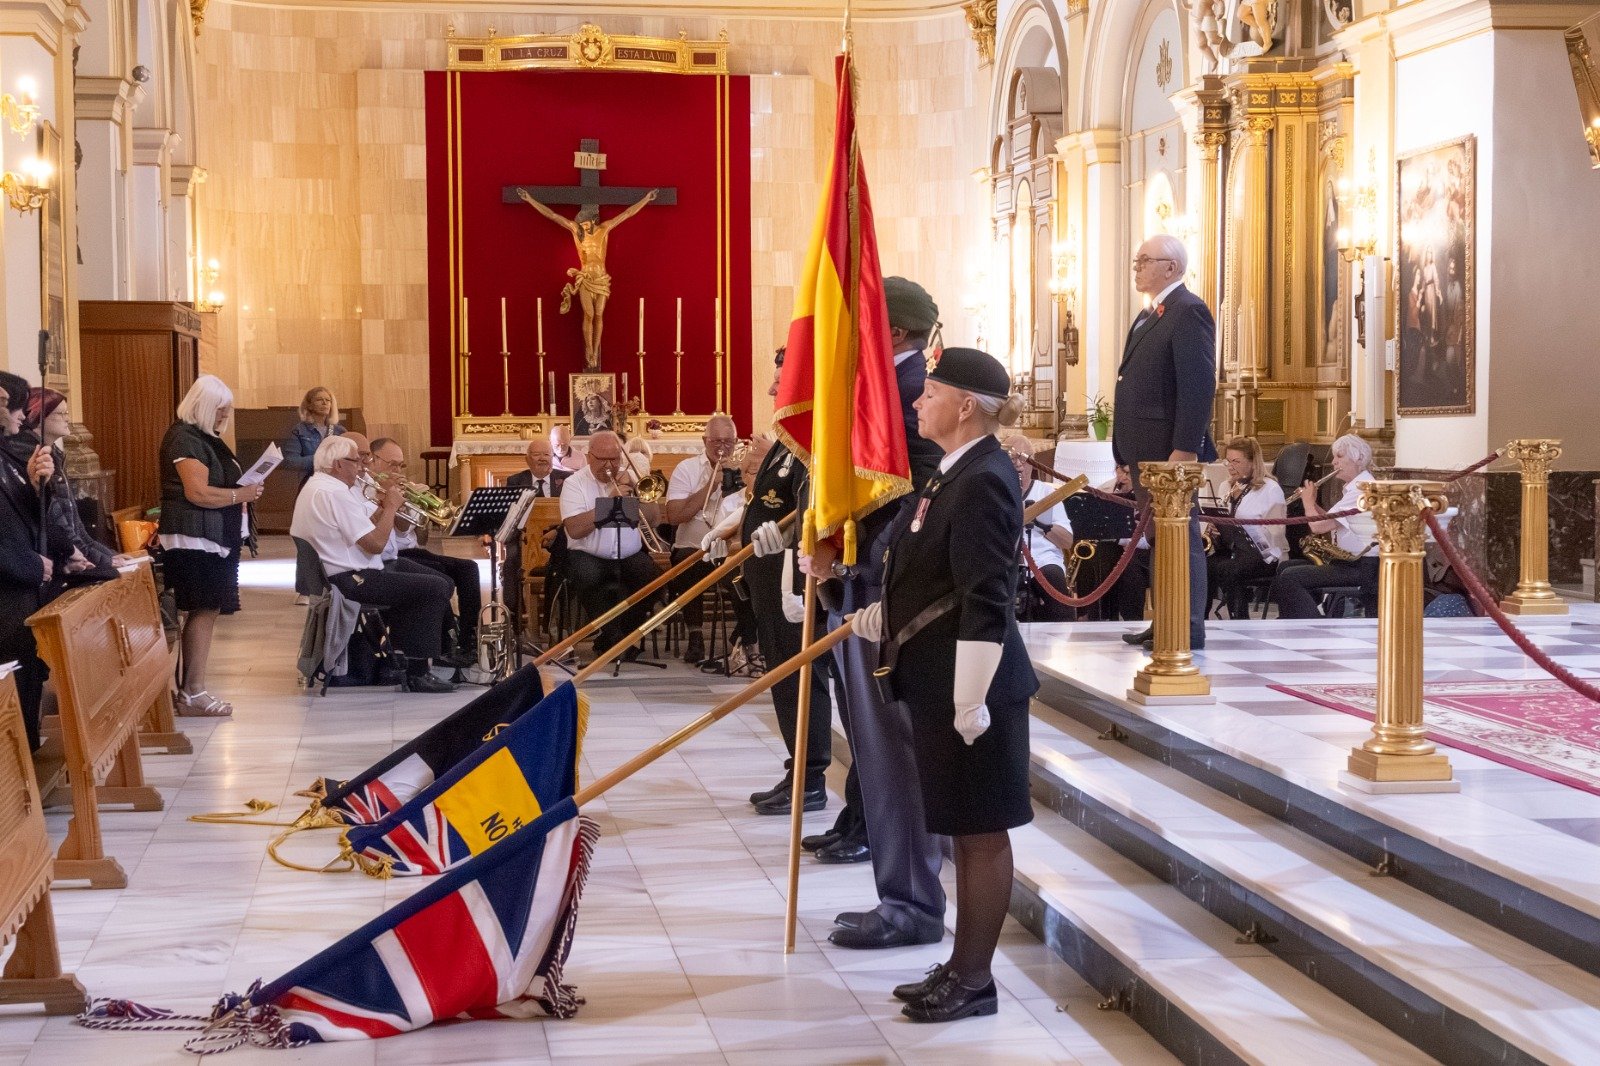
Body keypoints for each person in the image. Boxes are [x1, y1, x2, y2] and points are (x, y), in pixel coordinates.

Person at [851, 347, 1037, 1023]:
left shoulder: (985, 477)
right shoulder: (948, 476)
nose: (915, 403)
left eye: (928, 393)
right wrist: (881, 615)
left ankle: (976, 980)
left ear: (965, 405)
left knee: (981, 832)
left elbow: (988, 595)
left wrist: (970, 695)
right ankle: (960, 966)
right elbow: (929, 569)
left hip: (975, 686)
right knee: (961, 827)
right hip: (938, 675)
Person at [796, 275, 946, 942]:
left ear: (896, 333)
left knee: (893, 758)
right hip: (858, 590)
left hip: (887, 599)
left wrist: (852, 562)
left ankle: (910, 902)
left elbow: (920, 500)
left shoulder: (913, 394)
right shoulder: (884, 392)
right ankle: (906, 889)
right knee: (878, 756)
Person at [720, 349, 834, 808]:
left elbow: (814, 514)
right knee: (783, 680)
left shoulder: (813, 443)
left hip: (793, 582)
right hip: (767, 580)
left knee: (802, 679)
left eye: (780, 383)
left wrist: (787, 546)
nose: (771, 390)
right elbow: (762, 502)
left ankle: (811, 777)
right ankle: (798, 769)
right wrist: (725, 529)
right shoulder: (787, 441)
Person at [1114, 234, 1218, 651]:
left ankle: (1187, 624)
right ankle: (1165, 619)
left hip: (1168, 450)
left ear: (1171, 267)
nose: (1137, 267)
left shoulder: (1188, 311)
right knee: (1159, 537)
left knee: (1181, 536)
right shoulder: (1151, 313)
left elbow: (1197, 386)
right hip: (1144, 450)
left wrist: (1185, 447)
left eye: (1145, 260)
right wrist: (1123, 452)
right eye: (1136, 260)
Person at [291, 435, 456, 692]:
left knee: (428, 583)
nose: (359, 467)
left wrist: (380, 508)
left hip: (338, 574)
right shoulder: (336, 494)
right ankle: (417, 672)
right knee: (433, 587)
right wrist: (390, 507)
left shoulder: (316, 486)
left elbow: (362, 531)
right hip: (353, 579)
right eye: (354, 462)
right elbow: (375, 545)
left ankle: (402, 660)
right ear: (337, 464)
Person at [158, 375, 266, 717]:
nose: (225, 416)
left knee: (208, 609)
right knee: (202, 609)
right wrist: (239, 495)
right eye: (220, 410)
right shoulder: (183, 438)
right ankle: (192, 692)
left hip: (211, 537)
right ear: (202, 406)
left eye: (228, 410)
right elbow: (197, 493)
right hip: (193, 537)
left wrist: (242, 490)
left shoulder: (205, 438)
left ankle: (194, 689)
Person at [0, 374, 68, 749]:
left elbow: (26, 519)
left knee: (25, 689)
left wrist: (36, 486)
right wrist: (29, 564)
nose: (19, 417)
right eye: (7, 404)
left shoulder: (11, 456)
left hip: (19, 597)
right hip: (8, 590)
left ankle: (26, 772)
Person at [370, 437, 481, 657]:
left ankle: (469, 640)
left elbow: (418, 536)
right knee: (441, 580)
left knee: (469, 568)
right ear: (374, 461)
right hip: (391, 556)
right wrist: (387, 499)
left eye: (401, 465)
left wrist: (417, 504)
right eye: (393, 464)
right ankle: (444, 643)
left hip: (411, 551)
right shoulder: (368, 488)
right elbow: (392, 531)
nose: (398, 470)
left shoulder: (399, 489)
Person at [558, 430, 662, 661]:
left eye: (614, 459)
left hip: (629, 553)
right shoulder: (574, 484)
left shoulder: (629, 479)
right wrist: (611, 501)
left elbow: (654, 520)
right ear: (588, 457)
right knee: (591, 576)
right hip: (587, 553)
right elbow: (574, 528)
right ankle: (615, 639)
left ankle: (615, 638)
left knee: (653, 580)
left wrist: (640, 494)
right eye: (602, 459)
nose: (609, 465)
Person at [1271, 433, 1379, 618]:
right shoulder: (1355, 487)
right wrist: (1312, 502)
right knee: (1285, 568)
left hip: (1361, 566)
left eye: (1340, 456)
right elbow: (1332, 519)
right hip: (1347, 561)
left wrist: (1307, 503)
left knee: (1291, 578)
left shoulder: (1363, 489)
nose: (1334, 462)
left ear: (1358, 458)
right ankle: (1297, 617)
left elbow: (1319, 528)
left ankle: (1310, 624)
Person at [18, 388, 124, 572]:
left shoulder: (55, 455)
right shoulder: (34, 460)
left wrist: (109, 556)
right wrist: (102, 562)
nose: (67, 418)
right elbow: (59, 524)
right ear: (38, 416)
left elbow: (77, 527)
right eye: (61, 413)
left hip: (71, 554)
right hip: (55, 562)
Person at [664, 414, 739, 664]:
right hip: (693, 547)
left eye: (728, 442)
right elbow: (674, 516)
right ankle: (696, 636)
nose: (722, 447)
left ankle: (744, 638)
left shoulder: (743, 468)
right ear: (704, 440)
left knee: (745, 575)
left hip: (731, 549)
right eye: (716, 441)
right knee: (687, 567)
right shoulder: (687, 469)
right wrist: (710, 485)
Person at [1205, 436, 1288, 618]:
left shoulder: (1270, 489)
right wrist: (1219, 528)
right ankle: (1200, 619)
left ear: (1253, 463)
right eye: (1228, 461)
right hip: (1233, 550)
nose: (1230, 466)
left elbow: (1277, 533)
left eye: (1236, 461)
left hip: (1262, 556)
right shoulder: (1226, 486)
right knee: (1204, 566)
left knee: (1227, 569)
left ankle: (1240, 617)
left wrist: (1242, 529)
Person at [1004, 434, 1076, 622]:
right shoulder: (996, 492)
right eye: (1012, 458)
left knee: (1055, 585)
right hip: (1007, 559)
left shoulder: (1047, 493)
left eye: (1023, 458)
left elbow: (1067, 540)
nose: (1018, 465)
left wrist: (1039, 521)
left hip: (1042, 559)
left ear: (1033, 462)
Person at [504, 438, 570, 629]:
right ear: (527, 459)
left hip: (560, 537)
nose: (542, 459)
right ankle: (515, 617)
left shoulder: (566, 479)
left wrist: (558, 530)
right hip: (525, 538)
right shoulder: (515, 481)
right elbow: (511, 516)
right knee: (512, 561)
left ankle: (563, 620)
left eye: (547, 454)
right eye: (537, 454)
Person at [282, 386, 345, 486]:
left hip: (335, 482)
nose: (325, 403)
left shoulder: (340, 431)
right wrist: (320, 459)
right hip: (310, 483)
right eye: (319, 399)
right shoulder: (299, 430)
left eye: (328, 400)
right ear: (309, 405)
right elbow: (291, 461)